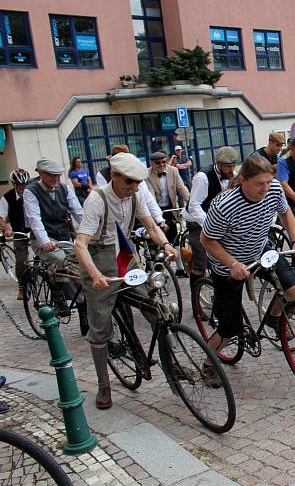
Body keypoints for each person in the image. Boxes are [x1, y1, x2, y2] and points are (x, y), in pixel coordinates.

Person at [74, 153, 177, 409]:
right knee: (100, 326)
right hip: (97, 256)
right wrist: (95, 275)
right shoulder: (96, 200)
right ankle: (104, 386)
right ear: (114, 176)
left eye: (137, 183)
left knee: (153, 304)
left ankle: (172, 363)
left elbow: (151, 226)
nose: (134, 188)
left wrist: (166, 245)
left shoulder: (136, 194)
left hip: (123, 252)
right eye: (129, 182)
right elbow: (80, 244)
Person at [201, 155, 295, 366]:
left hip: (260, 250)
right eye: (260, 183)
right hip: (228, 264)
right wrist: (232, 264)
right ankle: (208, 364)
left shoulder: (275, 190)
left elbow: (286, 213)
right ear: (243, 180)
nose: (266, 188)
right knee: (229, 329)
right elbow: (207, 240)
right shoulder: (224, 205)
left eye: (269, 182)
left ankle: (273, 317)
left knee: (293, 288)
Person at [23, 158, 84, 316]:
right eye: (51, 175)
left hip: (64, 237)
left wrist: (91, 233)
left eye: (58, 175)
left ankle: (83, 305)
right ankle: (59, 300)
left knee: (80, 263)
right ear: (41, 174)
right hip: (43, 238)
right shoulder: (31, 191)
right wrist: (45, 242)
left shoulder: (64, 189)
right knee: (61, 260)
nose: (56, 179)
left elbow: (78, 212)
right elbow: (35, 220)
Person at [184, 146, 238, 296]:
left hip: (217, 219)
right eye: (228, 166)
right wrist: (210, 225)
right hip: (197, 221)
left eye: (233, 166)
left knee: (226, 256)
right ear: (219, 164)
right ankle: (197, 304)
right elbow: (194, 206)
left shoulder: (232, 175)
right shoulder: (202, 177)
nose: (231, 170)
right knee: (200, 264)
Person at [145, 151, 190, 245]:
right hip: (155, 209)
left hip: (170, 208)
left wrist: (190, 203)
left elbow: (182, 188)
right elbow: (150, 194)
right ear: (152, 163)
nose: (161, 164)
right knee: (157, 239)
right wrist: (156, 213)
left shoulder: (173, 170)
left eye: (163, 161)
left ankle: (178, 258)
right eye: (158, 163)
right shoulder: (147, 174)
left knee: (174, 237)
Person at [0, 169, 31, 299]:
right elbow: (1, 217)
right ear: (14, 184)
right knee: (21, 260)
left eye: (25, 185)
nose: (23, 188)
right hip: (19, 231)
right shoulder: (7, 198)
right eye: (20, 185)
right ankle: (22, 287)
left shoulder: (33, 194)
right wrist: (6, 229)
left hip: (35, 230)